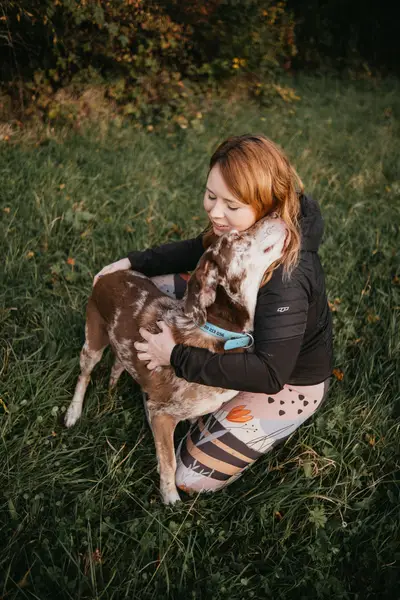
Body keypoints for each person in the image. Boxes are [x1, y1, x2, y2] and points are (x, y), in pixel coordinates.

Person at [93, 134, 333, 494]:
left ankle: (247, 413)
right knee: (143, 282)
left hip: (285, 378)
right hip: (238, 325)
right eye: (211, 196)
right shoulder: (246, 221)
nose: (215, 212)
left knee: (189, 478)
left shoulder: (287, 277)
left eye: (230, 205)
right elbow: (197, 249)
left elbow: (269, 372)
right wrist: (129, 263)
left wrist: (175, 356)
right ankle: (196, 382)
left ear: (266, 201)